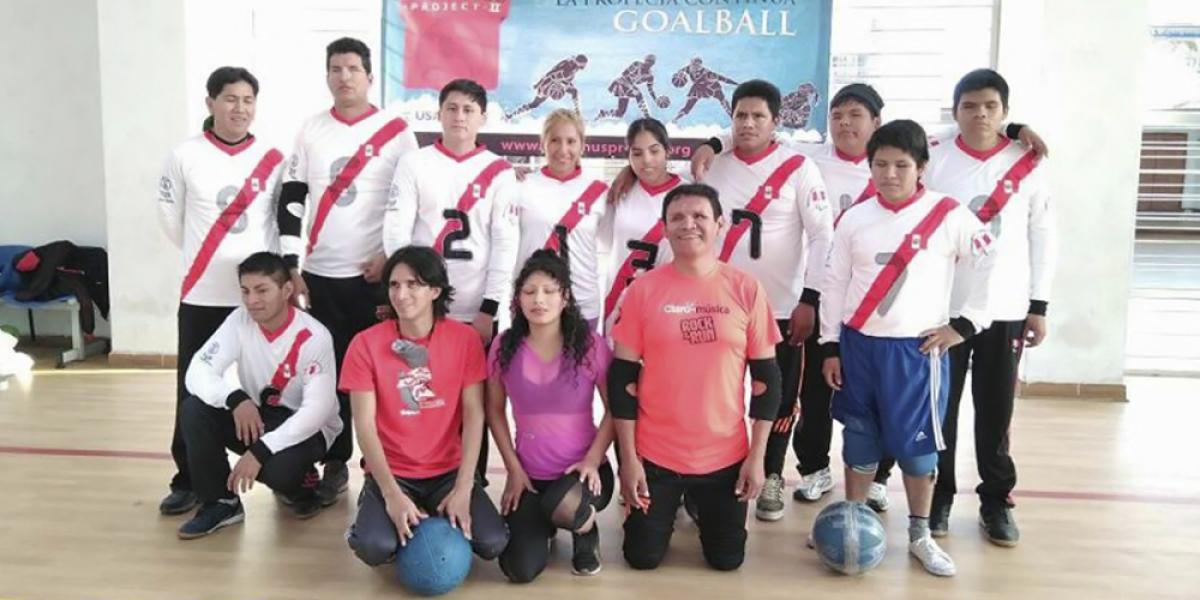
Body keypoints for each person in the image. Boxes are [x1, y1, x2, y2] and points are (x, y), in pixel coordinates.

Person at [819, 119, 996, 577]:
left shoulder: (949, 214)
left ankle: (919, 534)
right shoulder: (854, 219)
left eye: (901, 164)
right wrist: (830, 345)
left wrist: (965, 323)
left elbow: (990, 261)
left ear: (921, 167)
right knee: (858, 441)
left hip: (915, 354)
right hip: (859, 348)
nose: (890, 174)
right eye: (880, 164)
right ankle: (853, 523)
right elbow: (834, 282)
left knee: (918, 452)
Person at [609, 183, 782, 571]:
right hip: (656, 456)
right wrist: (629, 460)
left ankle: (697, 504)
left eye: (700, 216)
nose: (689, 224)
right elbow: (622, 381)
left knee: (727, 561)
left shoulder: (746, 289)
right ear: (665, 227)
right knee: (642, 557)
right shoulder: (643, 291)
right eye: (677, 217)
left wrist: (758, 458)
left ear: (720, 224)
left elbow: (767, 383)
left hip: (725, 457)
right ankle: (672, 504)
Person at [277, 37, 419, 506]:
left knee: (385, 376)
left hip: (374, 280)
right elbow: (292, 199)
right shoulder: (310, 130)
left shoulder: (396, 131)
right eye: (336, 69)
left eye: (353, 69)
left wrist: (391, 260)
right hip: (319, 277)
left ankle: (390, 469)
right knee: (326, 374)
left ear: (370, 76)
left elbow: (412, 202)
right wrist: (291, 264)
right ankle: (333, 463)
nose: (344, 77)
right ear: (327, 76)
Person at [921, 69, 1056, 546]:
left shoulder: (1028, 161)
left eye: (991, 107)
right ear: (955, 110)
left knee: (995, 409)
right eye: (970, 106)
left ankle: (996, 500)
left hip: (1006, 306)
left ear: (1005, 111)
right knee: (940, 408)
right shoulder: (934, 154)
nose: (980, 115)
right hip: (944, 308)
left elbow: (1042, 235)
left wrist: (1038, 304)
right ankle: (938, 497)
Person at [700, 79, 833, 523]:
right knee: (713, 394)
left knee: (776, 398)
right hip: (719, 305)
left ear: (776, 121)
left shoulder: (799, 167)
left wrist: (809, 299)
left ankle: (772, 472)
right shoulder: (713, 163)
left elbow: (822, 235)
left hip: (779, 308)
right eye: (740, 115)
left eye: (758, 116)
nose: (749, 123)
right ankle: (708, 476)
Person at [157, 66, 285, 516]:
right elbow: (171, 219)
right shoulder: (184, 155)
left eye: (248, 99)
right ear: (210, 103)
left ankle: (288, 470)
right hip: (201, 295)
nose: (240, 108)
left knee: (269, 387)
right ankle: (190, 478)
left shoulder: (273, 157)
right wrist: (206, 260)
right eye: (230, 99)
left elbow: (279, 221)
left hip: (260, 302)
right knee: (191, 389)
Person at [384, 78, 521, 484]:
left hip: (475, 308)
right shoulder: (415, 163)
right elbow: (397, 231)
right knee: (418, 391)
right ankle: (415, 474)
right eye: (453, 108)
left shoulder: (499, 170)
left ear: (482, 117)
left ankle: (472, 482)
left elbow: (505, 242)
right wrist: (407, 293)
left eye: (469, 109)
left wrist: (490, 308)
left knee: (471, 400)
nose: (460, 116)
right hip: (422, 307)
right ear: (439, 113)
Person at [340, 246, 509, 568]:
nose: (401, 294)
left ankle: (423, 516)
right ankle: (374, 508)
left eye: (413, 284)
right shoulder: (365, 344)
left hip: (446, 472)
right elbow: (363, 424)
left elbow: (475, 415)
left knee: (493, 543)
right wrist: (390, 493)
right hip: (393, 472)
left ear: (435, 290)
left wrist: (463, 487)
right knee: (374, 548)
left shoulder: (465, 340)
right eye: (394, 284)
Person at [177, 252, 341, 539]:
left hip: (308, 428)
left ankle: (303, 481)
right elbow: (197, 371)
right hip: (259, 416)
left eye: (262, 290)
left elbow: (316, 411)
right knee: (193, 409)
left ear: (287, 290)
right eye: (245, 291)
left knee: (279, 472)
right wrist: (235, 398)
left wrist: (260, 451)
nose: (251, 300)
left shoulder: (315, 336)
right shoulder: (239, 320)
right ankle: (221, 502)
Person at [486, 250, 615, 581]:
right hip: (530, 476)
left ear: (565, 298)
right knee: (519, 570)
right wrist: (513, 470)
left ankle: (585, 531)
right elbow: (494, 411)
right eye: (529, 292)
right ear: (517, 300)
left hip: (584, 473)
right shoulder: (503, 347)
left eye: (549, 291)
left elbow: (616, 409)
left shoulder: (590, 345)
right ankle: (546, 521)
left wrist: (592, 460)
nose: (538, 299)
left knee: (564, 505)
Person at [513, 110, 608, 330]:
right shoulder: (522, 185)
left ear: (582, 145)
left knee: (582, 364)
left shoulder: (600, 191)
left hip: (582, 301)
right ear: (543, 143)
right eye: (555, 140)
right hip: (534, 301)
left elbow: (610, 242)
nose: (563, 149)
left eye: (571, 141)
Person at [599, 118, 686, 332]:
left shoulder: (688, 194)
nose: (646, 160)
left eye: (654, 151)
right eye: (637, 153)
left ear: (668, 151)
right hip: (619, 301)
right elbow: (603, 242)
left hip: (670, 303)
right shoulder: (619, 192)